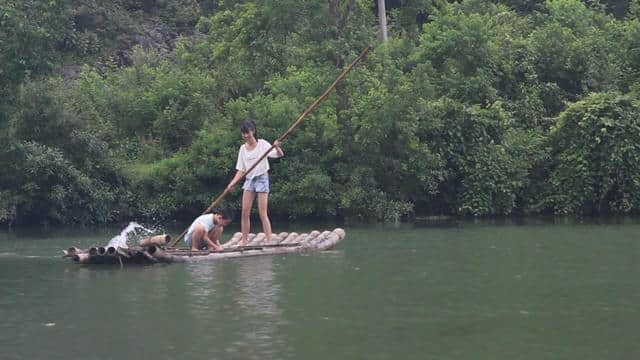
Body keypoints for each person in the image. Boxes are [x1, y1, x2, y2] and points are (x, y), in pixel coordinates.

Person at [225, 120, 284, 245]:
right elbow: (241, 169)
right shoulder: (243, 149)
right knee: (245, 212)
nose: (246, 135)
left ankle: (269, 240)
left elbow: (279, 154)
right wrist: (232, 183)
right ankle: (244, 240)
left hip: (262, 178)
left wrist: (276, 146)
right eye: (243, 133)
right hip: (249, 180)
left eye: (248, 132)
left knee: (262, 212)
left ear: (253, 131)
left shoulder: (262, 144)